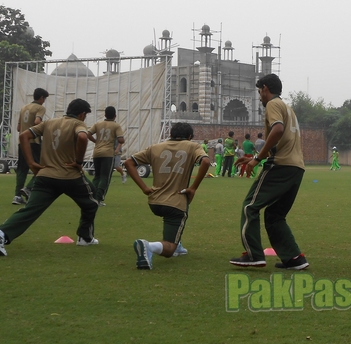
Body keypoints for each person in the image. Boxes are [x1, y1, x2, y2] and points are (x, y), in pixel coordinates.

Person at [0, 99, 99, 256]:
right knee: (92, 202)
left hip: (45, 177)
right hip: (70, 176)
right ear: (82, 114)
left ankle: (2, 235)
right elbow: (82, 137)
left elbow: (24, 135)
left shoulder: (48, 123)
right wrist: (79, 162)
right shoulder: (77, 124)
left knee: (30, 210)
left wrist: (32, 162)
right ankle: (85, 237)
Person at [229, 74, 308, 270]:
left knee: (250, 206)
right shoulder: (287, 108)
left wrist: (256, 159)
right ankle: (294, 258)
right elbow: (282, 139)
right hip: (296, 168)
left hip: (280, 166)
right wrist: (255, 156)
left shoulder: (273, 104)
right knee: (274, 215)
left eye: (259, 92)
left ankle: (254, 255)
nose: (260, 96)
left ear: (265, 89)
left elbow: (278, 130)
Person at [124, 122, 210, 270]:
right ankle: (149, 246)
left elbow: (128, 162)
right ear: (190, 137)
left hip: (155, 202)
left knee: (172, 222)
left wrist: (144, 188)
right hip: (175, 203)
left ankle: (179, 245)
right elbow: (206, 161)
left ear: (170, 134)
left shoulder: (155, 148)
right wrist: (193, 188)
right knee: (169, 248)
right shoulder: (193, 146)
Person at [13, 87, 48, 205]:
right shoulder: (40, 108)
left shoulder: (24, 108)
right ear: (42, 98)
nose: (44, 101)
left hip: (22, 142)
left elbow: (18, 128)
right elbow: (37, 122)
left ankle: (17, 196)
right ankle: (29, 188)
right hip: (34, 142)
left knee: (22, 169)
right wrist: (46, 127)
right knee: (41, 167)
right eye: (44, 99)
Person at [88, 106, 125, 205]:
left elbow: (88, 134)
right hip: (108, 153)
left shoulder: (98, 124)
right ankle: (98, 199)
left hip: (97, 153)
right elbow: (121, 140)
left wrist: (96, 141)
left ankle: (92, 196)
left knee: (97, 176)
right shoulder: (116, 126)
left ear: (105, 115)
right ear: (115, 116)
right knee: (105, 177)